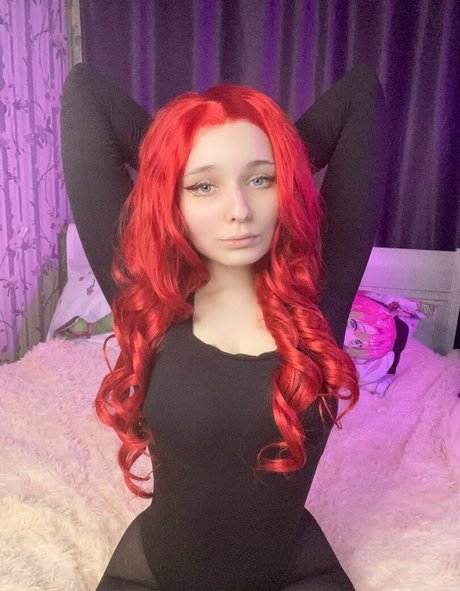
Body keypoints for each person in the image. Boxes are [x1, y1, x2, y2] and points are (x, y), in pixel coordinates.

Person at [61, 63, 386, 591]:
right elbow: (86, 96)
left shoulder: (319, 301)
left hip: (293, 568)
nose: (240, 209)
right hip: (154, 571)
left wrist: (268, 148)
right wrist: (177, 149)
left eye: (261, 179)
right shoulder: (147, 303)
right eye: (204, 186)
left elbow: (360, 96)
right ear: (173, 197)